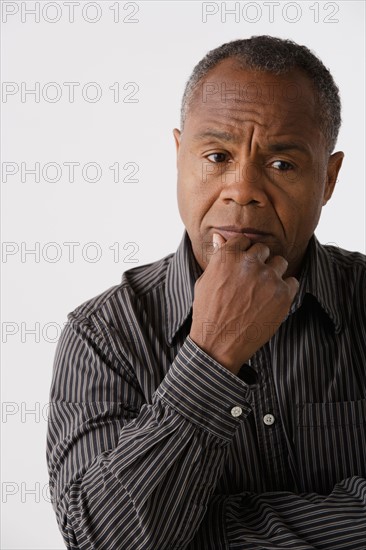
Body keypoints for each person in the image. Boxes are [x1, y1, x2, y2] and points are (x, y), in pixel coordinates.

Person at [47, 36, 366, 549]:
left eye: (282, 164)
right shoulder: (103, 335)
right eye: (216, 155)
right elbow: (102, 541)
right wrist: (213, 354)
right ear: (179, 156)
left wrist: (194, 535)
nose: (243, 189)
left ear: (328, 179)